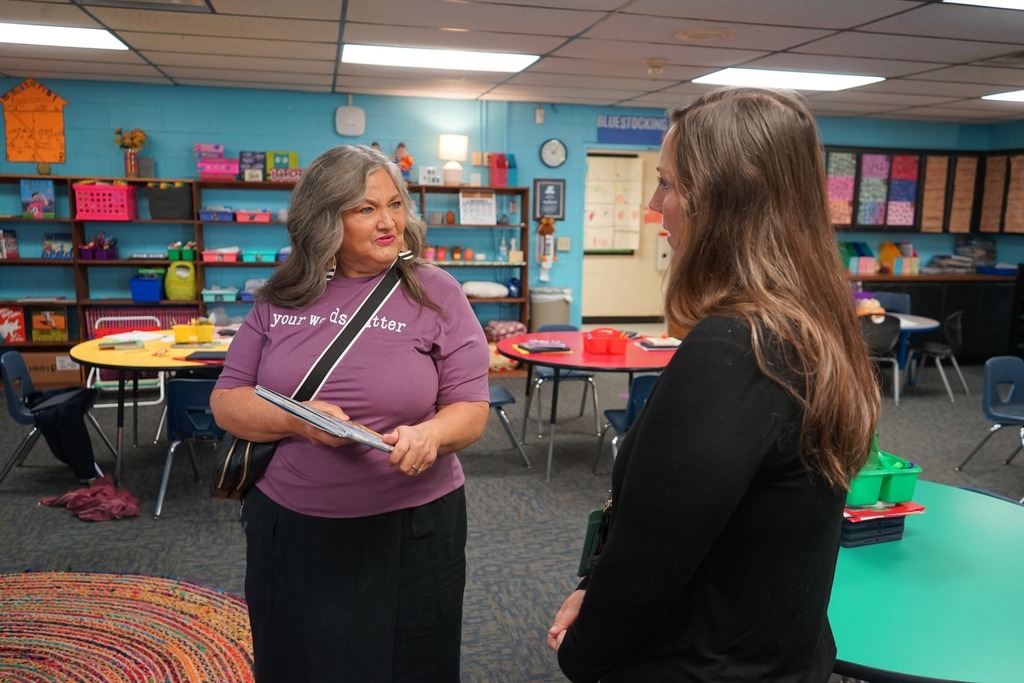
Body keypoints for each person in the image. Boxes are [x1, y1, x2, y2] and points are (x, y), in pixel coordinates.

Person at [547, 87, 881, 681]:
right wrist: (595, 587)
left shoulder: (733, 350)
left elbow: (651, 564)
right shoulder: (811, 328)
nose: (655, 204)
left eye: (669, 184)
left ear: (725, 200)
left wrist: (582, 655)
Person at [210, 144, 490, 682]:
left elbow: (471, 406)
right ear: (324, 219)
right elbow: (227, 400)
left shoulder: (438, 291)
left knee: (413, 663)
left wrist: (431, 434)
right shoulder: (281, 293)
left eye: (395, 205)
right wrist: (299, 419)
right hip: (293, 527)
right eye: (365, 209)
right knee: (299, 660)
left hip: (414, 527)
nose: (388, 222)